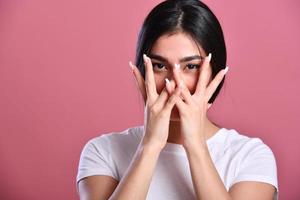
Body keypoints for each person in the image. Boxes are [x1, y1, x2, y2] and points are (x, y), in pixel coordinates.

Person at [76, 0, 278, 199]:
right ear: (142, 71)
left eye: (191, 66)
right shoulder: (103, 151)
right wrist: (150, 145)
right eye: (159, 66)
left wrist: (196, 145)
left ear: (215, 72)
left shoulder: (249, 155)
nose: (175, 84)